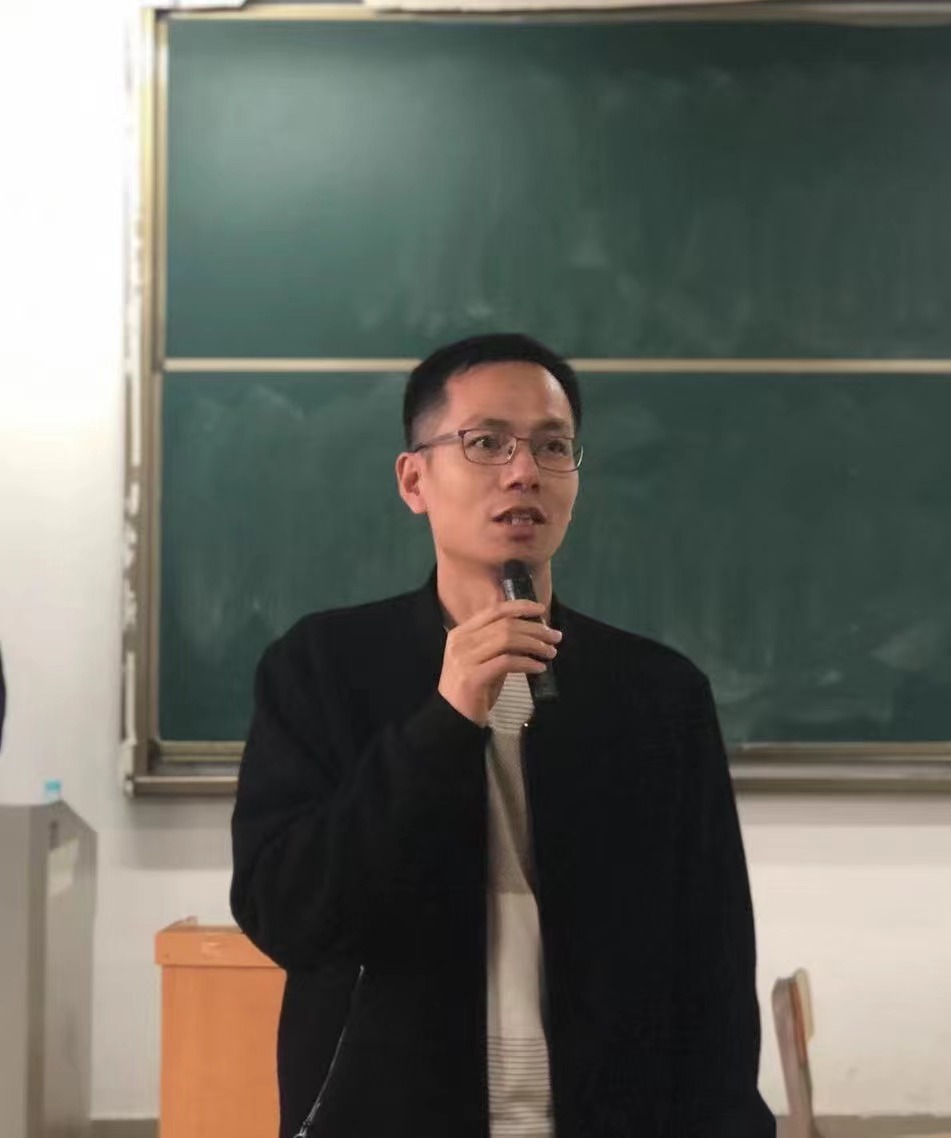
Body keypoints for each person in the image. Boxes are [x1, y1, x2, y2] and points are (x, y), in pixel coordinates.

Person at [229, 333, 773, 1138]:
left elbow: (713, 955)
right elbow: (288, 915)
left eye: (552, 447)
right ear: (413, 479)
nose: (524, 472)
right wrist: (444, 719)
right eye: (486, 443)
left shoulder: (657, 692)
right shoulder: (321, 666)